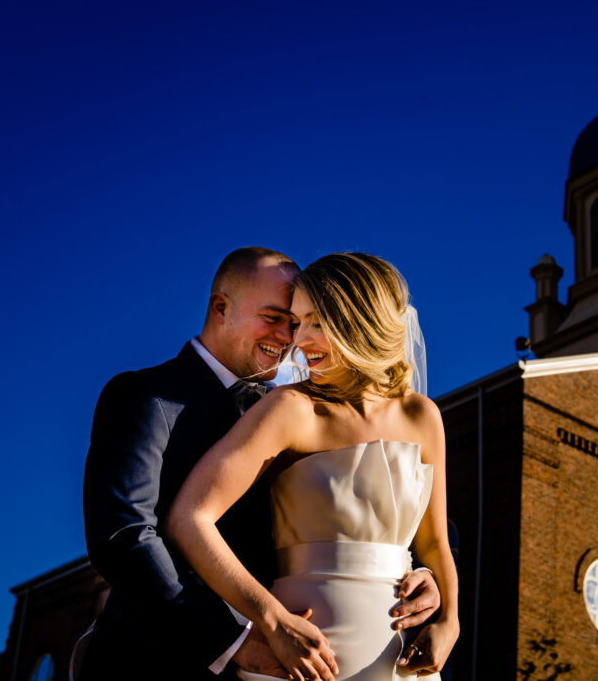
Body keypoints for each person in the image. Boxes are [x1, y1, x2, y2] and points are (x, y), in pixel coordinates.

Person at [80, 247, 440, 680]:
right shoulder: (148, 396)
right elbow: (125, 535)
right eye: (274, 318)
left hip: (296, 658)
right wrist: (233, 640)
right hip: (155, 661)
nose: (289, 338)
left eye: (295, 322)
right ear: (220, 308)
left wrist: (412, 573)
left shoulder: (287, 407)